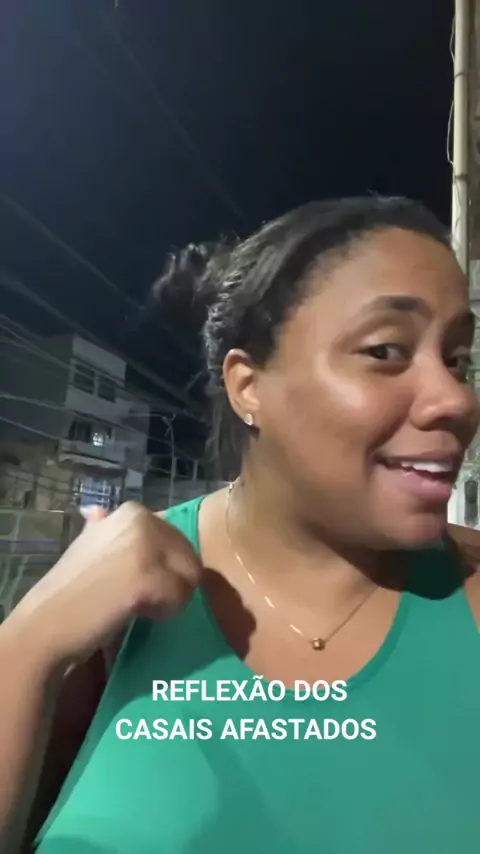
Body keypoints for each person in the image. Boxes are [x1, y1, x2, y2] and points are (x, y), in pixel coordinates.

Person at [1, 196, 480, 854]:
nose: (456, 398)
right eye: (386, 350)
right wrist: (27, 644)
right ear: (248, 386)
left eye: (458, 359)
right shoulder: (109, 608)